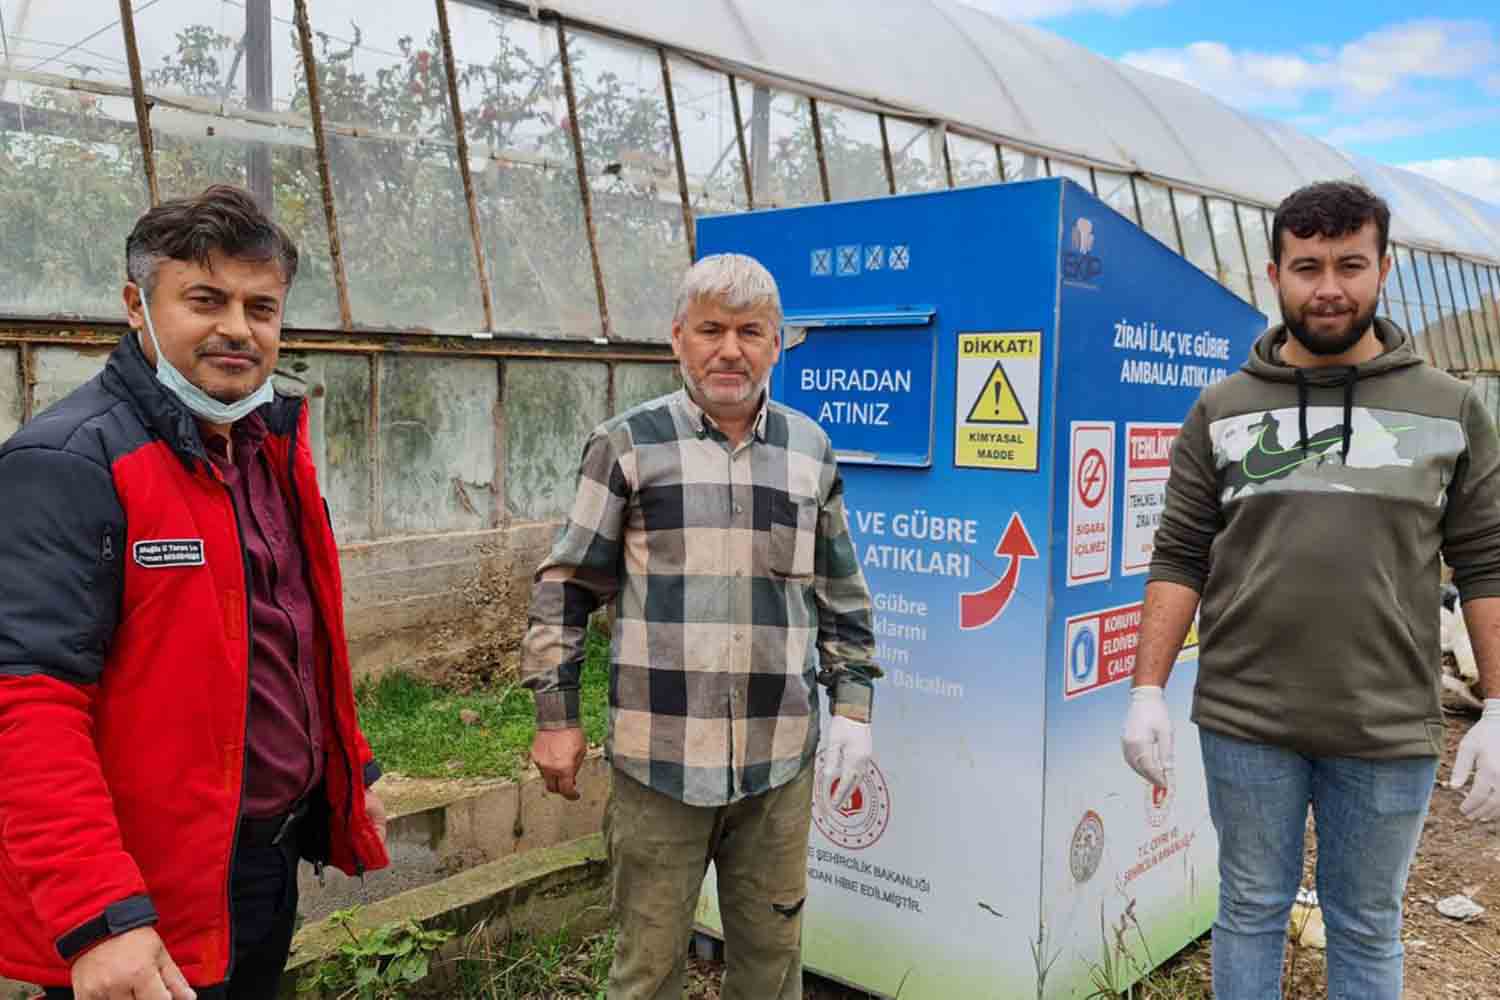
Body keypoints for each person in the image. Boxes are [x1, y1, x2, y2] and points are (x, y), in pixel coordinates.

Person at [0, 185, 390, 1000]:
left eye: (262, 307)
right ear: (136, 306)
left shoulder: (266, 447)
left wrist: (352, 775)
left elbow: (287, 641)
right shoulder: (70, 464)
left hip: (260, 861)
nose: (239, 330)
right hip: (149, 893)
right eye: (205, 300)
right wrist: (102, 917)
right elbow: (27, 706)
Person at [1121, 180, 1500, 999]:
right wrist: (1147, 687)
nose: (1329, 286)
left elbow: (1486, 561)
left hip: (1387, 723)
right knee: (1251, 907)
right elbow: (1181, 553)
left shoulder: (1449, 410)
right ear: (1275, 274)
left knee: (1366, 923)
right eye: (1308, 266)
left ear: (1384, 269)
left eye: (1349, 264)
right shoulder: (1222, 411)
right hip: (1246, 720)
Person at [520, 253, 881, 1000]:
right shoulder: (627, 444)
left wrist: (852, 709)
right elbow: (567, 585)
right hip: (661, 762)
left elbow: (841, 592)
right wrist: (556, 717)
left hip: (777, 761)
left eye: (751, 331)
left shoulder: (809, 450)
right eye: (710, 329)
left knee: (772, 965)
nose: (730, 349)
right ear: (677, 337)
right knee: (647, 970)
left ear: (777, 343)